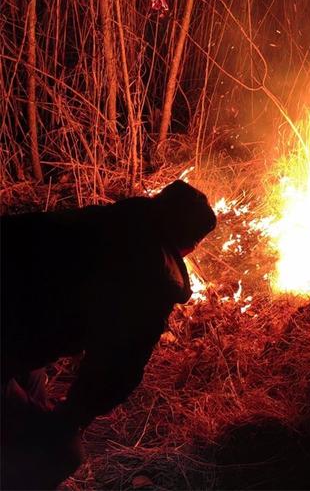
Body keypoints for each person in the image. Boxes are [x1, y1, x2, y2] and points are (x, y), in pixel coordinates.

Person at [1, 180, 217, 489]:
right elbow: (115, 372)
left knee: (33, 385)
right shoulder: (150, 277)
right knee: (60, 452)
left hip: (10, 340)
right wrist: (69, 418)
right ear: (190, 246)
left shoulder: (104, 220)